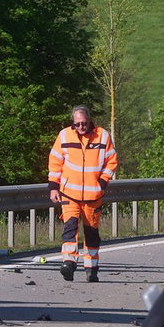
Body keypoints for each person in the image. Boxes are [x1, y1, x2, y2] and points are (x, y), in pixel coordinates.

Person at [47, 105, 117, 283]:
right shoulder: (64, 135)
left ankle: (91, 268)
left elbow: (112, 161)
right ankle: (68, 263)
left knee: (91, 233)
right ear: (73, 122)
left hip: (93, 196)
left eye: (84, 123)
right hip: (69, 194)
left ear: (89, 121)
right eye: (77, 124)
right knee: (70, 228)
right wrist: (53, 187)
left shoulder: (102, 136)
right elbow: (55, 162)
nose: (81, 127)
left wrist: (102, 182)